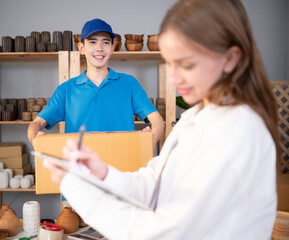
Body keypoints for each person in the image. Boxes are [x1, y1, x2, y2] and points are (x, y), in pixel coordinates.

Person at [44, 0, 280, 239]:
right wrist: (103, 173)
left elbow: (163, 232)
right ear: (82, 47)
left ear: (230, 59)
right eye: (170, 62)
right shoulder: (193, 119)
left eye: (187, 64)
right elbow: (156, 183)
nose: (175, 78)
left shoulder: (239, 131)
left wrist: (78, 191)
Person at [28, 18, 164, 148]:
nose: (99, 48)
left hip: (120, 167)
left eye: (105, 42)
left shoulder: (129, 84)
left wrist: (151, 140)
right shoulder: (66, 90)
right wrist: (36, 140)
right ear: (81, 48)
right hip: (80, 168)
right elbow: (37, 123)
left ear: (112, 48)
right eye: (92, 42)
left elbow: (157, 119)